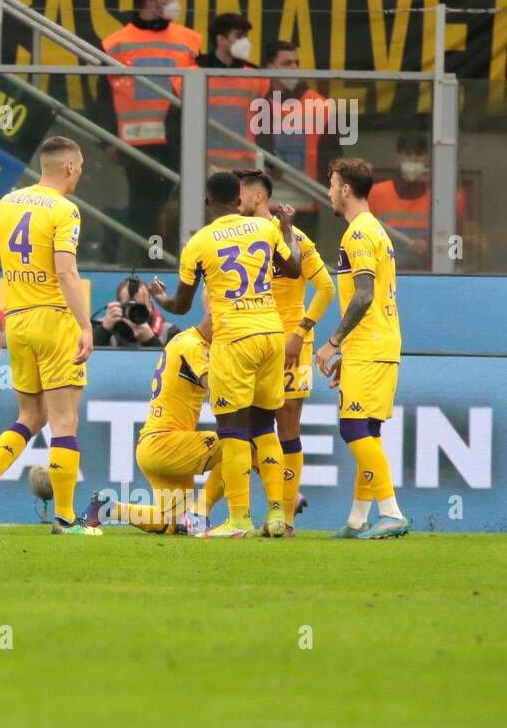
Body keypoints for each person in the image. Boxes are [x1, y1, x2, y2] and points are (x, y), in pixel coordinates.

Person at [149, 170, 302, 538]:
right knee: (266, 427)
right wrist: (285, 229)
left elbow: (182, 306)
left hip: (234, 338)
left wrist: (158, 297)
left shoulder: (199, 243)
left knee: (233, 430)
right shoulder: (263, 229)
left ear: (207, 202)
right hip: (271, 334)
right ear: (239, 200)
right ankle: (278, 514)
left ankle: (238, 520)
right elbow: (295, 267)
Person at [0, 135, 98, 536]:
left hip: (19, 322)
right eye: (81, 168)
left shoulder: (5, 204)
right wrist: (85, 324)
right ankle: (64, 517)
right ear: (71, 167)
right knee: (64, 421)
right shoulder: (65, 210)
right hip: (55, 319)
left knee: (31, 415)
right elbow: (65, 271)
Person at [235, 168, 334, 536]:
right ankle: (279, 503)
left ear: (258, 197)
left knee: (286, 428)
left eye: (241, 194)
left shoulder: (295, 238)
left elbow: (326, 289)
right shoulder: (240, 239)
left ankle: (285, 521)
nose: (236, 201)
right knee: (243, 431)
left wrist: (300, 333)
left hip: (291, 345)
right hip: (252, 341)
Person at [314, 157, 410, 539]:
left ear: (346, 190)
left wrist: (332, 343)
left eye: (332, 184)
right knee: (366, 429)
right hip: (378, 343)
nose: (329, 192)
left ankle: (392, 512)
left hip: (369, 343)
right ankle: (358, 519)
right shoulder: (378, 231)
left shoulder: (357, 234)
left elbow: (364, 295)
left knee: (353, 428)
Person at [82, 308, 223, 536]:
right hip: (167, 444)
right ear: (215, 319)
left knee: (172, 523)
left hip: (154, 445)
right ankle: (200, 513)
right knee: (238, 444)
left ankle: (107, 508)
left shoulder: (183, 339)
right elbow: (217, 392)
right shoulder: (195, 346)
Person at [97, 0, 202, 244]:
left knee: (178, 208)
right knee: (144, 210)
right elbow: (103, 95)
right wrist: (106, 139)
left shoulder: (189, 39)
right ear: (149, 0)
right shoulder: (115, 43)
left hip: (180, 139)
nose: (172, 1)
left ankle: (171, 265)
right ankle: (146, 264)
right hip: (137, 141)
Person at [254, 40, 340, 241]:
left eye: (296, 63)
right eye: (287, 63)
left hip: (305, 202)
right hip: (264, 201)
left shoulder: (321, 105)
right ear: (270, 68)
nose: (294, 68)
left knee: (300, 263)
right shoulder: (256, 101)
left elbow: (333, 154)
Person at [366, 131, 464, 268]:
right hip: (386, 274)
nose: (413, 160)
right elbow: (363, 239)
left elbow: (455, 242)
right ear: (398, 158)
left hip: (429, 275)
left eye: (418, 155)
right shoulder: (376, 194)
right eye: (408, 155)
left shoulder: (444, 197)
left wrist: (429, 245)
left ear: (427, 160)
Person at [198, 12, 268, 177]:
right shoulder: (195, 74)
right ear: (220, 39)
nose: (245, 42)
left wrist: (267, 160)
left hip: (246, 169)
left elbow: (266, 125)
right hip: (204, 168)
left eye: (246, 36)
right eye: (238, 36)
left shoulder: (257, 77)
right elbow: (176, 123)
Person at [92, 276, 181, 348]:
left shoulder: (169, 332)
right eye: (128, 305)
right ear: (117, 304)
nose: (134, 311)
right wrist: (104, 330)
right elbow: (84, 358)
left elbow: (174, 365)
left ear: (150, 305)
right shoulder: (99, 326)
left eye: (140, 306)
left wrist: (151, 341)